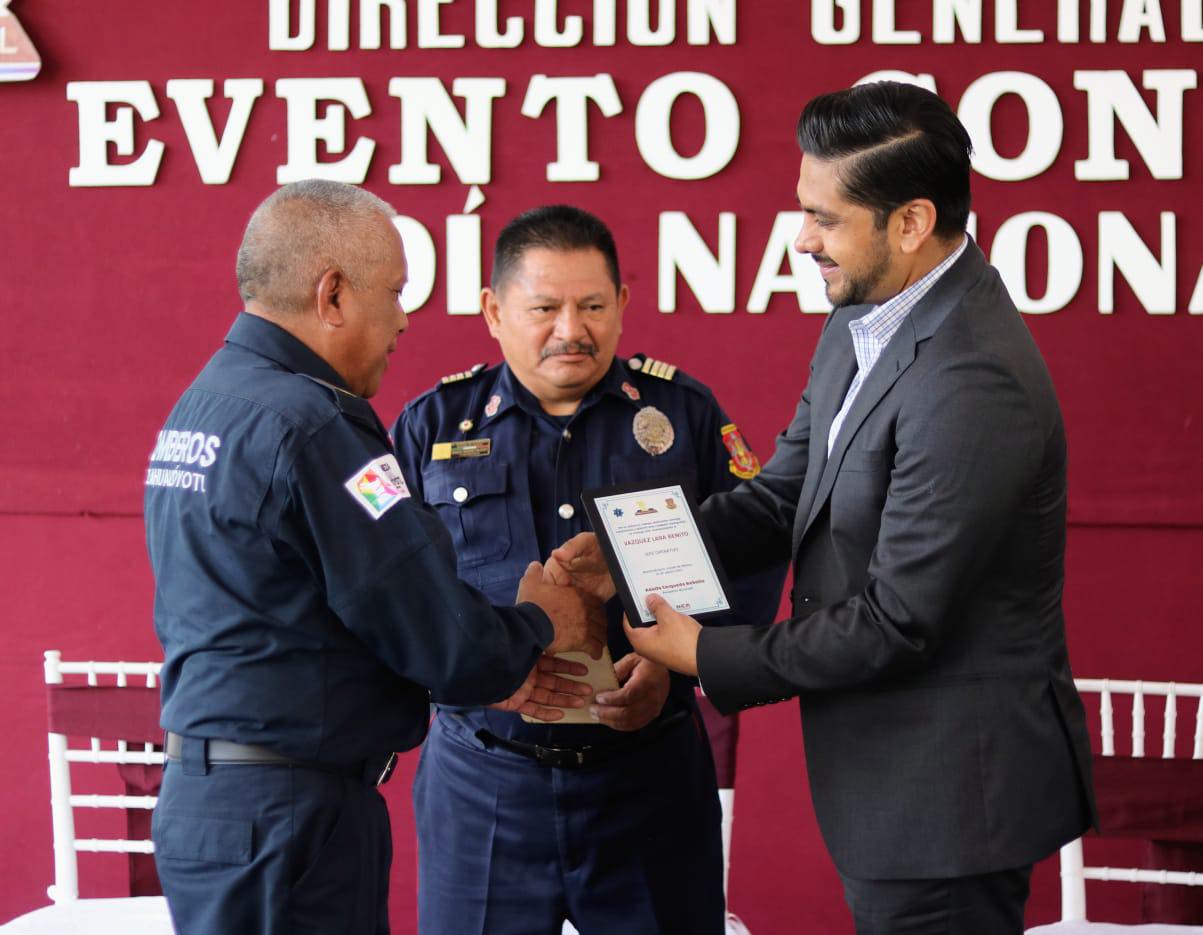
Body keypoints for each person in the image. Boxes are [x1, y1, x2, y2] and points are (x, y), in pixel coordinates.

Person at [551, 82, 1097, 934]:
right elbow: (780, 496)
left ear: (910, 222)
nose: (802, 240)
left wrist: (704, 651)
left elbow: (897, 620)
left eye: (825, 218)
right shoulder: (866, 316)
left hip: (950, 802)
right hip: (890, 785)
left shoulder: (969, 379)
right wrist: (628, 548)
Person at [144, 180, 605, 935]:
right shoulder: (316, 425)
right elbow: (436, 635)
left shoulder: (207, 403)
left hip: (219, 801)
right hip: (290, 817)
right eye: (393, 292)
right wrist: (538, 622)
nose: (403, 318)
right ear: (332, 294)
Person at [392, 204, 780, 935]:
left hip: (648, 779)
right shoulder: (431, 427)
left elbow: (753, 556)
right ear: (493, 310)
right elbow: (391, 593)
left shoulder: (681, 416)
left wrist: (678, 666)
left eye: (593, 305)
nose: (571, 329)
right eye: (544, 307)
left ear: (623, 307)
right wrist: (472, 672)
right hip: (484, 782)